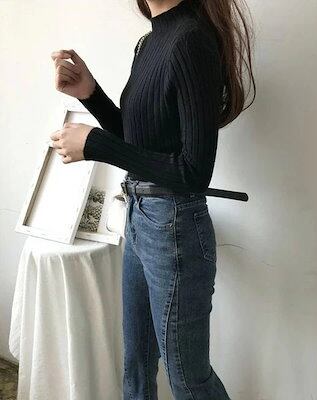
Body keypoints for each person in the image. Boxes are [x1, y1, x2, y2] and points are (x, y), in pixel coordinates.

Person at [50, 0, 255, 398]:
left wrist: (96, 144)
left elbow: (194, 172)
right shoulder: (150, 42)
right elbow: (139, 141)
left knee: (188, 378)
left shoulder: (191, 39)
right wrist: (90, 94)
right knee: (137, 365)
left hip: (174, 226)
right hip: (139, 215)